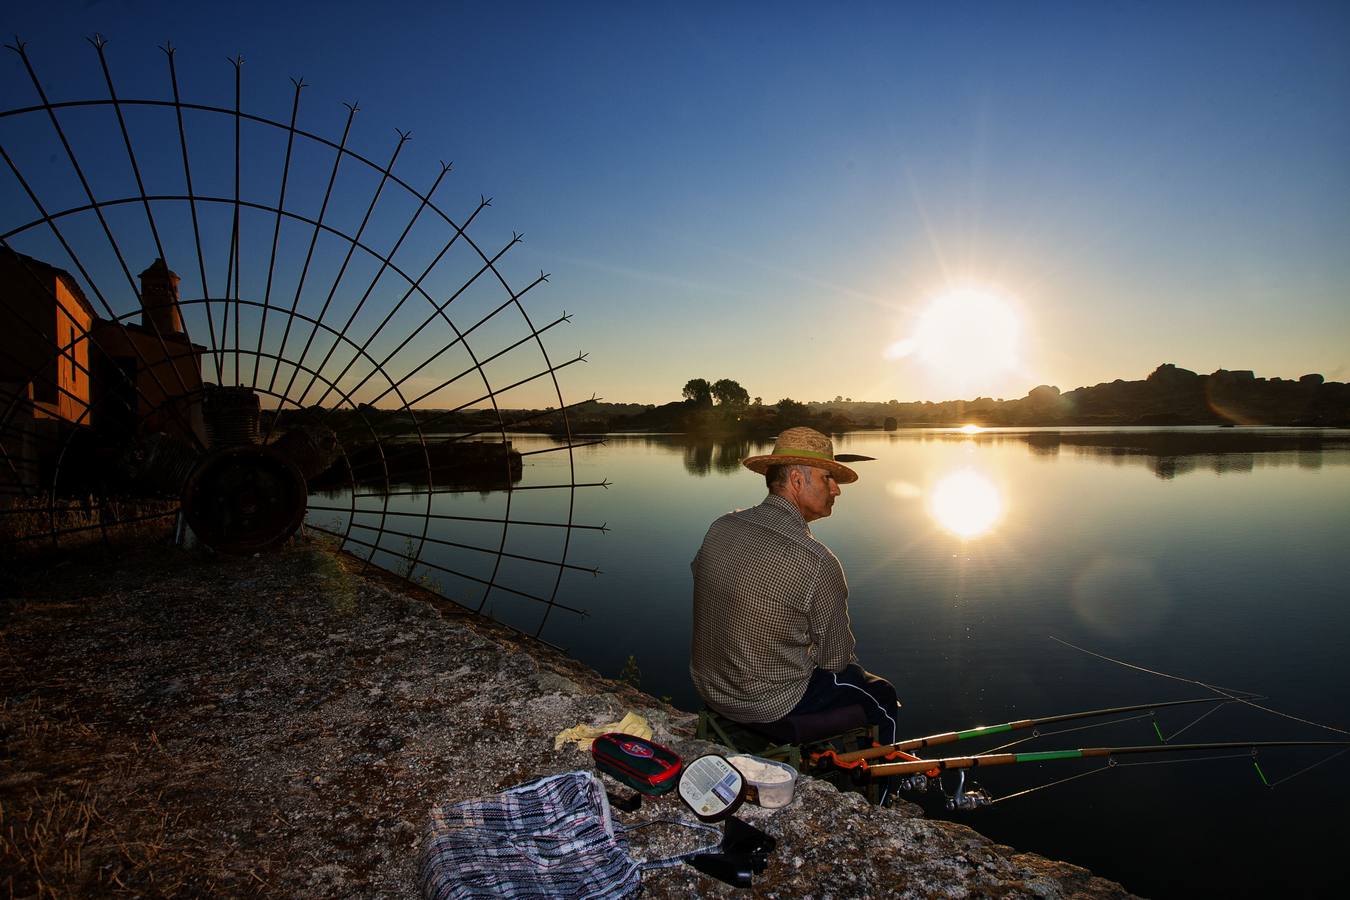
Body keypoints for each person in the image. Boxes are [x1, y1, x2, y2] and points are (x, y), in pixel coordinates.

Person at [689, 426, 901, 753]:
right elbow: (835, 659)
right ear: (798, 481)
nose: (837, 490)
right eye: (827, 478)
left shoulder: (721, 526)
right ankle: (883, 792)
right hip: (767, 705)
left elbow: (702, 577)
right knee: (882, 693)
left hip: (712, 688)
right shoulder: (817, 561)